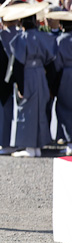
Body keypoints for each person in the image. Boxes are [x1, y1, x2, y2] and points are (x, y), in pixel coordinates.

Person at [3, 2, 57, 157]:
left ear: (21, 21)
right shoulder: (43, 36)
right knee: (40, 110)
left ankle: (29, 147)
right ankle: (37, 147)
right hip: (41, 75)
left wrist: (20, 86)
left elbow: (18, 65)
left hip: (28, 75)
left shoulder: (21, 38)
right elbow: (51, 62)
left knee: (27, 109)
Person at [0, 6, 20, 155]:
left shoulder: (1, 36)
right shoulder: (21, 34)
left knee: (6, 113)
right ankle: (18, 142)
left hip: (4, 79)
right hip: (21, 78)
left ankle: (6, 144)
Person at [50, 11, 72, 155]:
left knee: (65, 107)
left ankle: (70, 141)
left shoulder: (61, 40)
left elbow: (56, 63)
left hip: (67, 74)